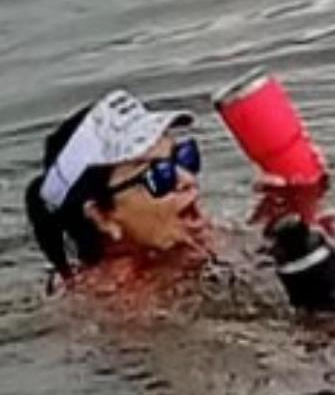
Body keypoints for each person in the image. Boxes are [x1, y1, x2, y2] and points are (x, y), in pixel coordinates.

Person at [25, 89, 212, 288]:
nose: (187, 179)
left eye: (184, 157)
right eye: (159, 175)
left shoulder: (188, 247)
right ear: (102, 216)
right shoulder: (117, 300)